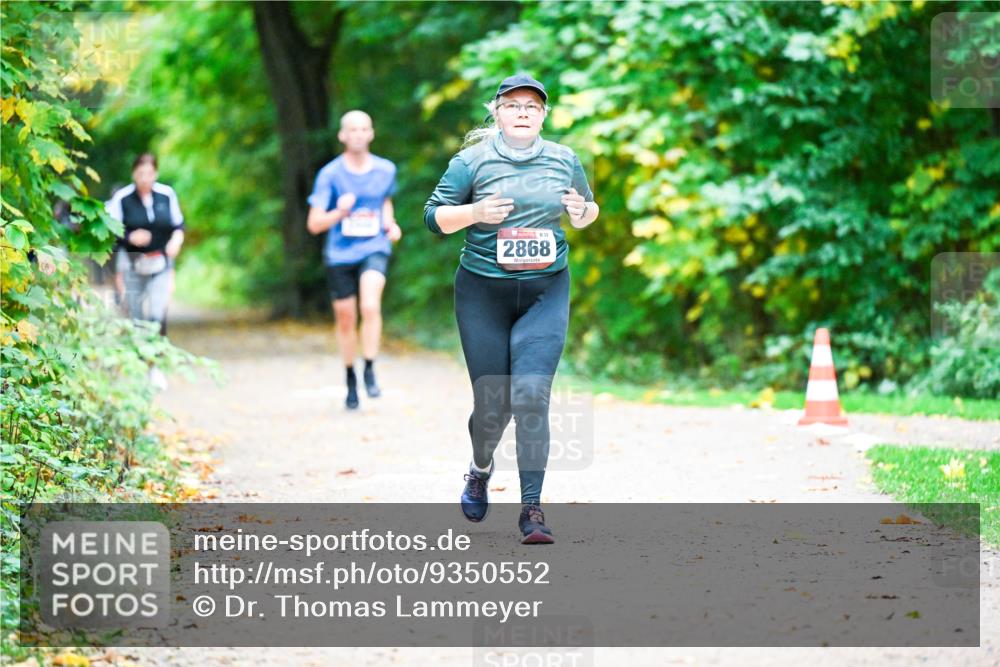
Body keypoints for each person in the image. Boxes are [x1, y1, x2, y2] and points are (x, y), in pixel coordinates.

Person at [424, 73, 599, 544]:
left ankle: (532, 510)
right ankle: (480, 468)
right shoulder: (471, 161)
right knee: (492, 403)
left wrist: (583, 214)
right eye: (513, 105)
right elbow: (433, 217)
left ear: (543, 115)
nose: (523, 112)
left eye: (532, 106)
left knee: (532, 395)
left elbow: (586, 209)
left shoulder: (564, 158)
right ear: (497, 112)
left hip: (546, 289)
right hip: (483, 293)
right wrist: (475, 213)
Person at [308, 110, 402, 410]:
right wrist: (340, 212)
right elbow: (314, 224)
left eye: (364, 129)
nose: (359, 134)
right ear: (343, 136)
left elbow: (384, 204)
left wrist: (391, 224)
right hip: (339, 253)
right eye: (353, 130)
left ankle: (370, 368)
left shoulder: (386, 170)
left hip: (374, 246)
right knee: (346, 318)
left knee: (370, 305)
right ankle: (350, 377)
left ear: (372, 133)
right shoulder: (330, 174)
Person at [106, 154, 185, 390]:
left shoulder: (166, 195)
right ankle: (141, 367)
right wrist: (130, 237)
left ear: (156, 174)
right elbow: (110, 231)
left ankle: (156, 366)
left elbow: (178, 225)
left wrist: (176, 242)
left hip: (160, 262)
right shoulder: (122, 199)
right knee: (137, 317)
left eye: (149, 174)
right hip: (132, 264)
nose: (145, 179)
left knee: (158, 313)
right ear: (133, 175)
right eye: (140, 174)